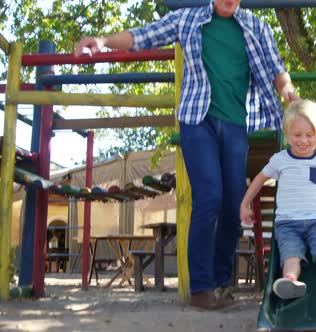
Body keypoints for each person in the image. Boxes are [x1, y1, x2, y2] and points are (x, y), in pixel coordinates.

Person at [74, 0, 297, 310]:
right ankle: (201, 289)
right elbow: (143, 36)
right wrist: (102, 42)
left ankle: (220, 282)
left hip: (235, 124)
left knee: (235, 205)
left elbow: (277, 68)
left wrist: (286, 91)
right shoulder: (188, 19)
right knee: (209, 198)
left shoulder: (256, 27)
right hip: (197, 121)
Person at [240, 99, 316, 300]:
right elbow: (259, 180)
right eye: (297, 135)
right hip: (287, 223)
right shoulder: (280, 160)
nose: (303, 140)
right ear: (287, 135)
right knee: (291, 255)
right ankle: (291, 282)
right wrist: (245, 203)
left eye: (309, 135)